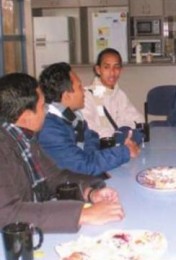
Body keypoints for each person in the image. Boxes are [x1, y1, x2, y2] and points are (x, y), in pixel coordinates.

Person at [0, 73, 124, 232]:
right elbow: (8, 214)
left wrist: (90, 192)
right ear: (26, 117)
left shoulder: (25, 137)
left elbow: (54, 177)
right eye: (42, 106)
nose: (46, 112)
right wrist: (82, 214)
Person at [38, 62, 140, 176]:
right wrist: (125, 151)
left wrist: (94, 158)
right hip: (67, 187)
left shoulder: (73, 116)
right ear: (67, 95)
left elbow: (91, 139)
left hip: (83, 178)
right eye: (79, 87)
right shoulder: (49, 128)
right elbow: (83, 165)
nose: (84, 91)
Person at [82, 48, 144, 140]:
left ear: (121, 70)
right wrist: (115, 133)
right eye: (107, 67)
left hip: (119, 145)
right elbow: (88, 127)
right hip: (99, 147)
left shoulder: (120, 94)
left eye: (116, 67)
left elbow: (139, 120)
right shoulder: (86, 95)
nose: (112, 72)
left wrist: (123, 129)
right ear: (98, 70)